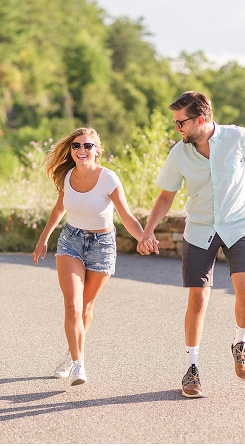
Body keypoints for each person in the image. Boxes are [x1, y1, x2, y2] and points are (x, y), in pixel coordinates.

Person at [137, 91, 245, 398]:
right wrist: (147, 231)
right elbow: (166, 195)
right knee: (198, 299)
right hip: (199, 230)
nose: (177, 129)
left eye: (180, 123)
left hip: (238, 226)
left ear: (200, 120)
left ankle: (240, 344)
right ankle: (191, 368)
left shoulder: (236, 137)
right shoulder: (179, 153)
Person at [32, 127, 146, 386]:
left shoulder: (108, 179)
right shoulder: (68, 176)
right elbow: (60, 207)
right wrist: (43, 239)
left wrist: (144, 237)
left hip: (102, 245)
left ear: (97, 151)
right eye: (76, 146)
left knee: (85, 306)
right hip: (71, 241)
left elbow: (126, 216)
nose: (81, 150)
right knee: (72, 304)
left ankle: (71, 354)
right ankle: (78, 364)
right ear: (71, 151)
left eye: (87, 146)